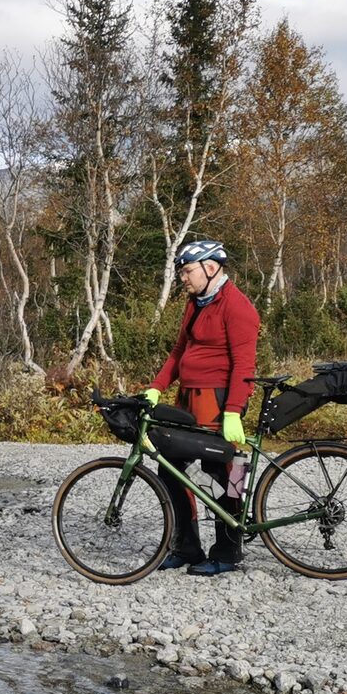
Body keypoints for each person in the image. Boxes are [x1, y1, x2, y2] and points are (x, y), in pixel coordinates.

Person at [145, 240, 260, 577]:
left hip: (219, 399)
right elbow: (179, 351)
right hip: (188, 398)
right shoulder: (195, 303)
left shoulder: (237, 307)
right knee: (170, 467)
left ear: (211, 268)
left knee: (226, 474)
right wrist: (156, 387)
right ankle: (186, 547)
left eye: (188, 271)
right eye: (181, 272)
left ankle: (228, 552)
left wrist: (234, 411)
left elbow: (244, 366)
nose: (183, 277)